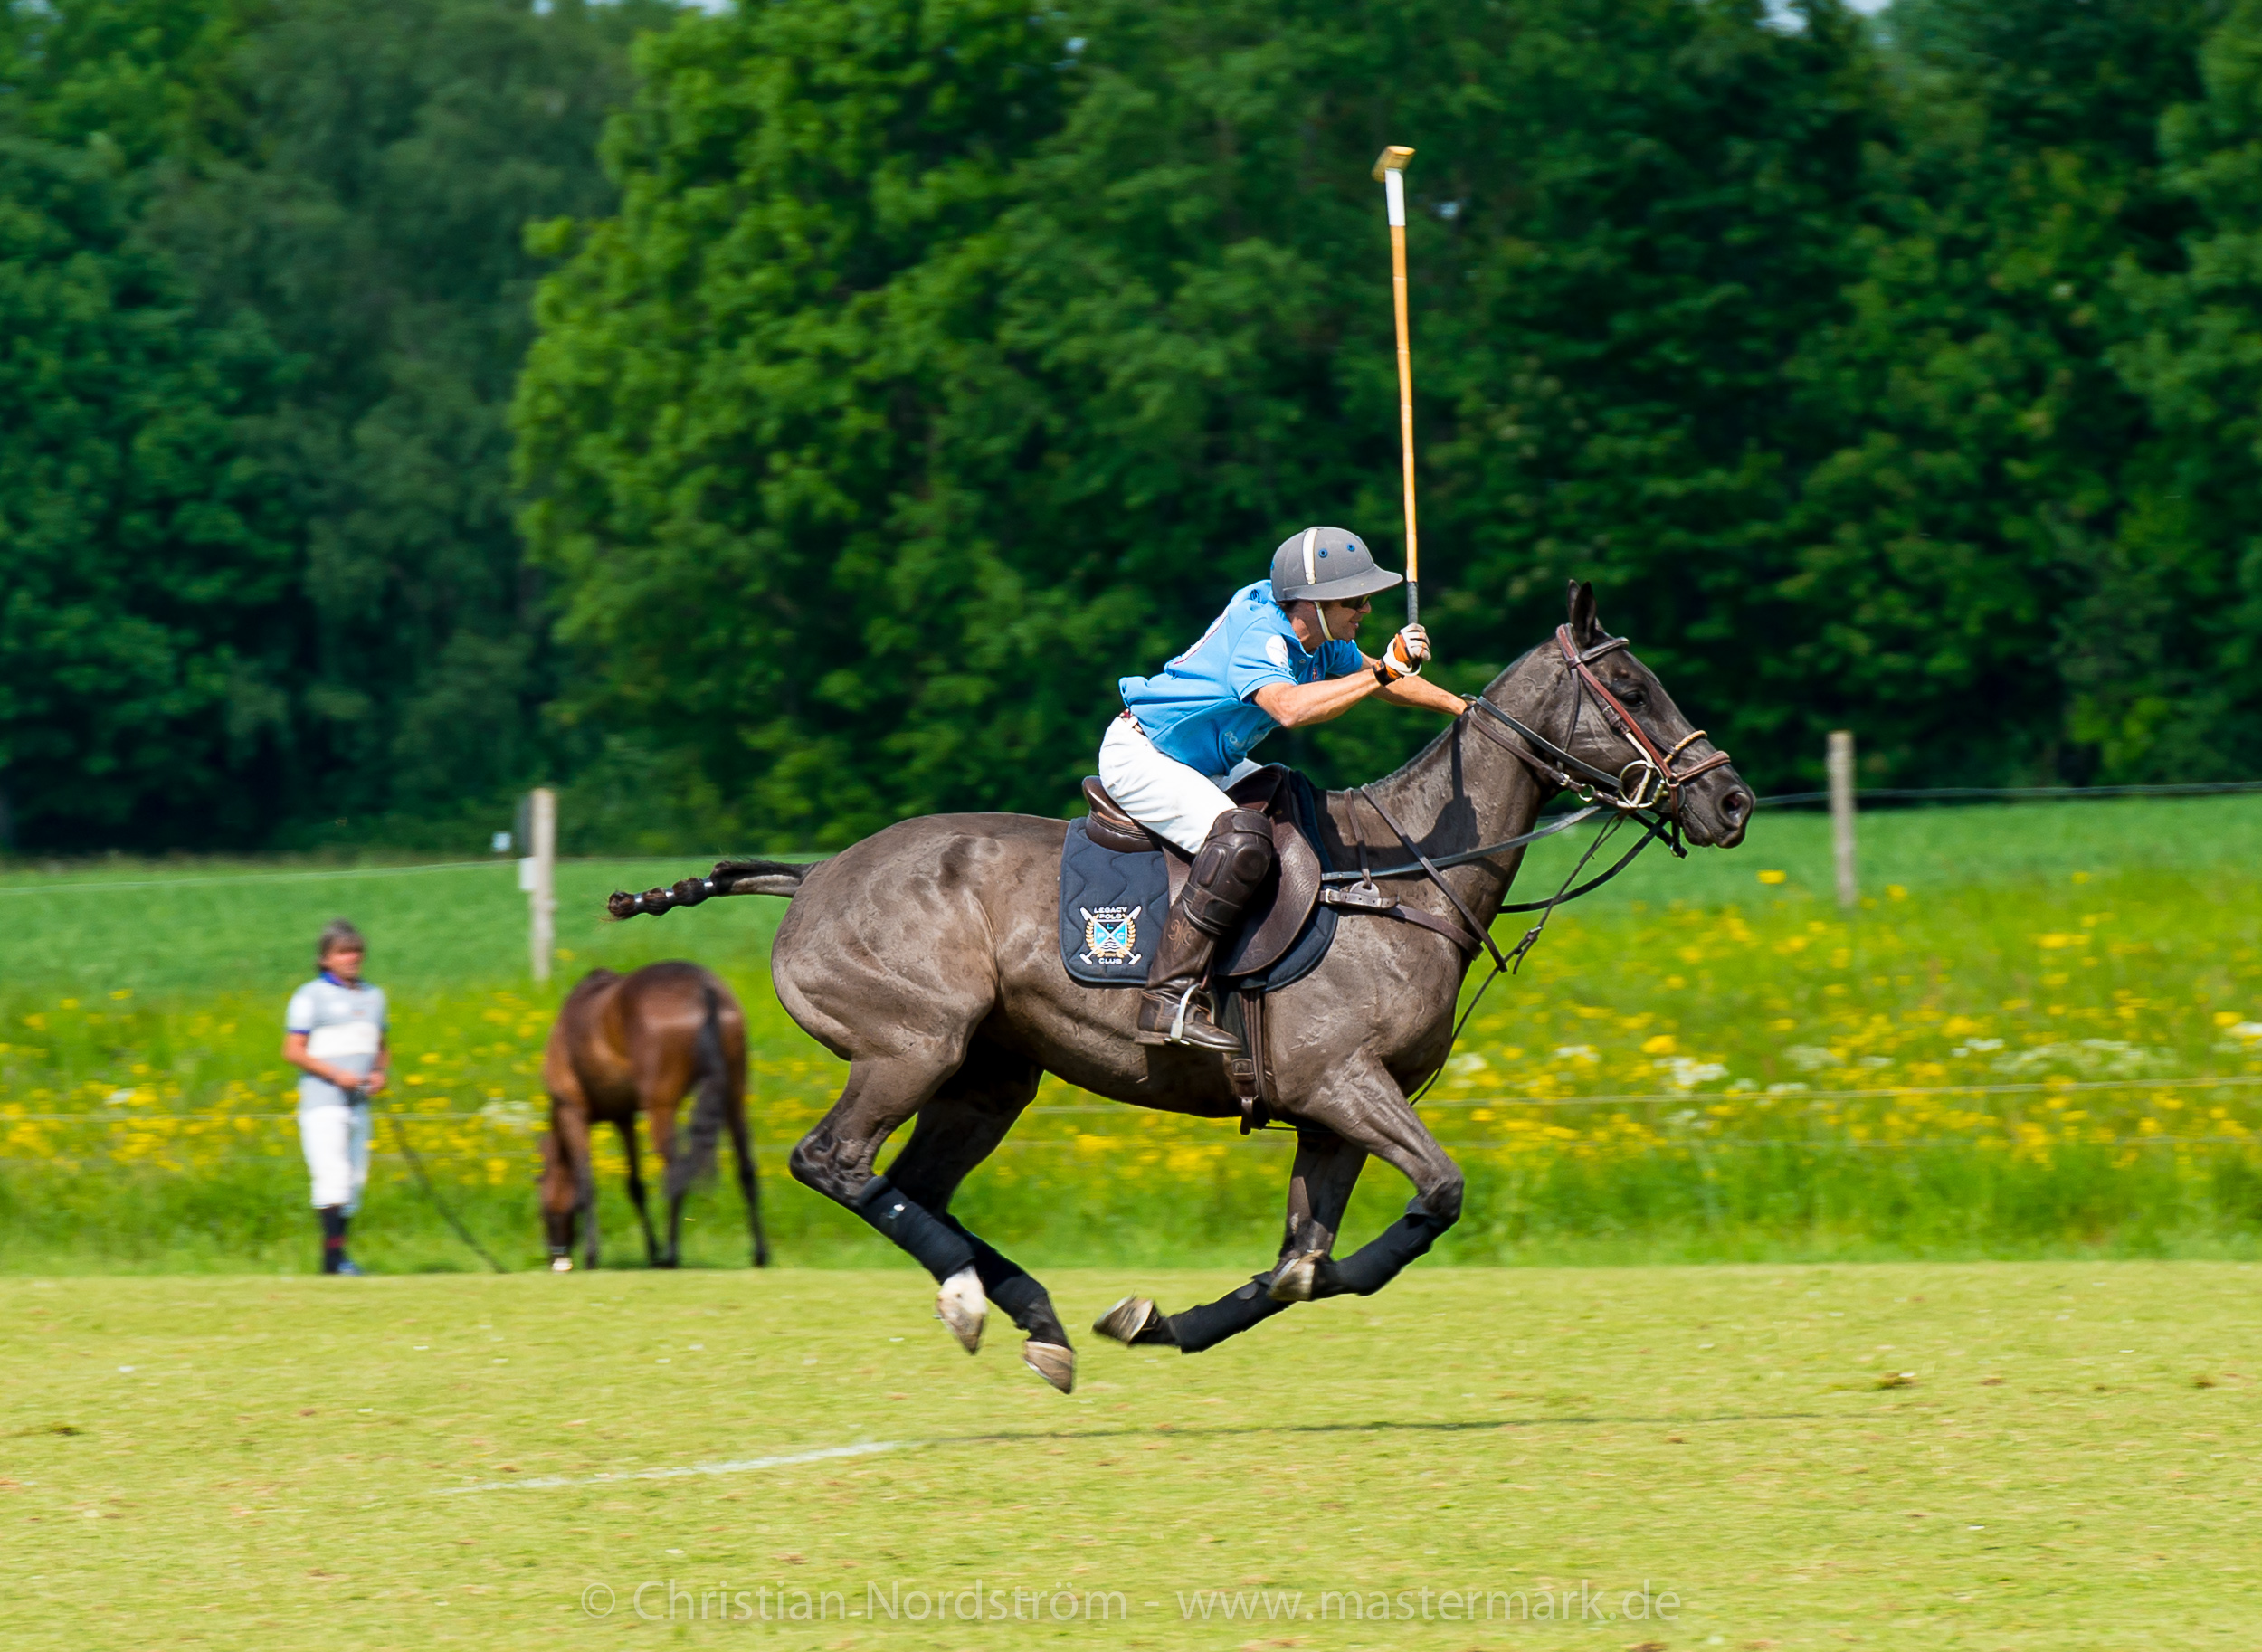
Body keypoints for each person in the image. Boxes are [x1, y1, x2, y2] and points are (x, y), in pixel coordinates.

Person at [1105, 526, 1468, 1049]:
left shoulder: (1320, 639)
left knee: (1296, 805)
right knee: (1241, 843)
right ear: (1314, 603)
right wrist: (1386, 671)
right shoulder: (1264, 635)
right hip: (1147, 754)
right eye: (1356, 600)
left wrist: (1463, 709)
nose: (1366, 610)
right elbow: (1290, 709)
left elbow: (1384, 679)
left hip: (1208, 760)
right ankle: (1168, 998)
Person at [282, 919, 389, 1275]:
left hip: (360, 1102)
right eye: (343, 952)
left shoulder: (374, 997)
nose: (352, 958)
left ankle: (339, 1257)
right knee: (333, 1177)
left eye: (356, 951)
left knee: (355, 1182)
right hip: (322, 1100)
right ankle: (332, 1262)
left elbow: (381, 1046)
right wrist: (335, 1074)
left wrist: (378, 1073)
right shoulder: (309, 996)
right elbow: (293, 1050)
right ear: (326, 959)